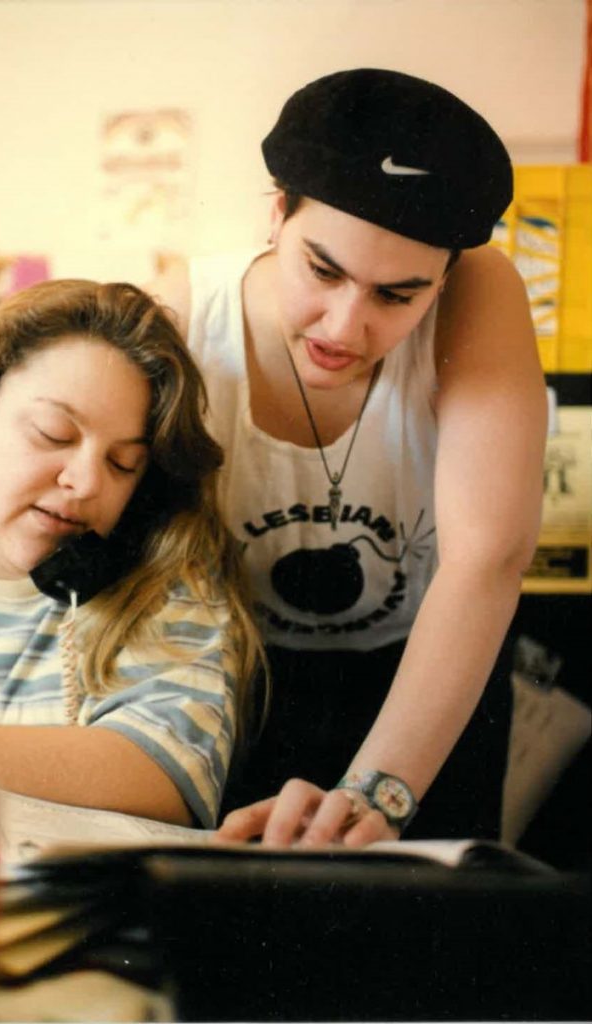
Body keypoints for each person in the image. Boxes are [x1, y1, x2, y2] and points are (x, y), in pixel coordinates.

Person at [148, 68, 547, 847]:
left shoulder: (479, 289)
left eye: (397, 296)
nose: (344, 326)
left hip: (427, 669)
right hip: (232, 672)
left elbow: (489, 556)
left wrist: (380, 792)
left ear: (443, 276)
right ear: (275, 215)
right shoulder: (183, 312)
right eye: (322, 271)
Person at [0, 279, 263, 830]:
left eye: (123, 463)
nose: (84, 482)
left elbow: (164, 776)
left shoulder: (161, 578)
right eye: (53, 434)